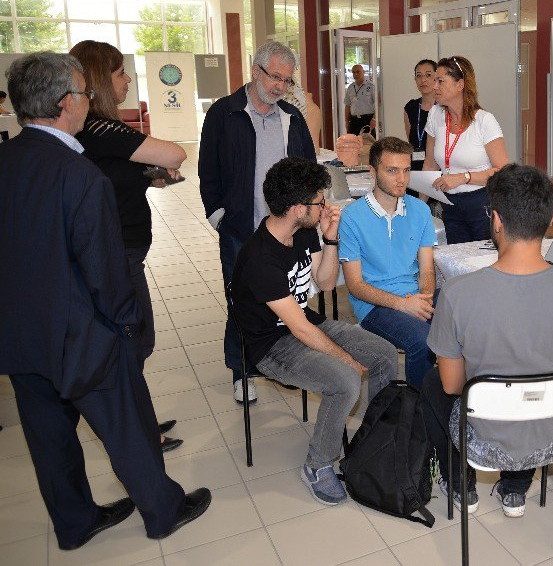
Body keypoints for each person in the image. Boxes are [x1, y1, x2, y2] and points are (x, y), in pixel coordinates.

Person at [0, 52, 210, 550]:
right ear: (62, 103)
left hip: (20, 333)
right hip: (80, 331)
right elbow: (104, 270)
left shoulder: (7, 159)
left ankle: (74, 523)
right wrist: (126, 322)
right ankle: (163, 509)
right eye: (83, 92)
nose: (89, 99)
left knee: (49, 438)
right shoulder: (79, 175)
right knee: (125, 425)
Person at [421, 164, 553, 518]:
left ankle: (461, 485)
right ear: (550, 220)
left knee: (433, 382)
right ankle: (515, 490)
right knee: (534, 381)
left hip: (487, 438)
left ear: (497, 220)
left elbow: (452, 384)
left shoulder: (459, 293)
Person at [230, 156, 398, 506]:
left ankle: (376, 438)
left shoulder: (304, 231)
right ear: (295, 208)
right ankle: (317, 465)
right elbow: (299, 331)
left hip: (305, 323)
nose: (326, 205)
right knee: (344, 382)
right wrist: (345, 359)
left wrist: (331, 239)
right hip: (272, 345)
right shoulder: (259, 259)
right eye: (319, 200)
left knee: (383, 353)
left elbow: (322, 282)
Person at [69, 39, 187, 453]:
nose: (127, 80)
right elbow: (176, 151)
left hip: (122, 251)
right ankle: (138, 428)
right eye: (120, 73)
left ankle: (140, 417)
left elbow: (116, 175)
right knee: (134, 340)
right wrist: (159, 164)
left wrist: (146, 177)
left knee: (136, 338)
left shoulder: (95, 133)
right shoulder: (103, 127)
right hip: (117, 254)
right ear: (100, 80)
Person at [199, 40, 317, 403]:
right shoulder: (225, 113)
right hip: (241, 229)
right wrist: (219, 216)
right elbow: (208, 169)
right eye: (275, 77)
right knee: (243, 303)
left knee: (289, 301)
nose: (280, 86)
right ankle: (242, 370)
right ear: (255, 71)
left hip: (286, 234)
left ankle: (285, 363)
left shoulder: (292, 118)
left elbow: (310, 172)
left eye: (287, 80)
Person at [339, 137, 438, 387]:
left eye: (406, 170)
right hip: (374, 305)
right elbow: (355, 286)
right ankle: (418, 413)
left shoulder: (420, 211)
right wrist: (403, 306)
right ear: (373, 172)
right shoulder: (352, 217)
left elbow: (427, 269)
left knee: (465, 314)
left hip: (415, 296)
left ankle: (456, 402)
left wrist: (422, 301)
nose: (402, 179)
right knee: (423, 341)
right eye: (392, 171)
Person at [424, 56, 510, 243]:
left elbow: (502, 172)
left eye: (440, 81)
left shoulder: (485, 121)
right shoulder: (435, 115)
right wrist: (419, 206)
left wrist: (464, 177)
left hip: (482, 204)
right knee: (456, 262)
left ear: (460, 85)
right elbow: (430, 164)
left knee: (482, 263)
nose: (434, 86)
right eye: (434, 81)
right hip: (449, 205)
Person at [403, 58, 437, 172]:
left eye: (428, 75)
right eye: (419, 75)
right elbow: (410, 140)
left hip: (438, 169)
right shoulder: (410, 107)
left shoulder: (444, 108)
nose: (423, 80)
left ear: (436, 78)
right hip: (414, 168)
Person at [345, 64, 376, 136]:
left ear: (363, 72)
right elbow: (347, 106)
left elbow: (378, 103)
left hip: (367, 120)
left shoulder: (371, 86)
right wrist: (347, 121)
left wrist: (374, 119)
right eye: (353, 72)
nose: (355, 74)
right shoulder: (350, 87)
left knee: (367, 144)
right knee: (354, 144)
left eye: (358, 72)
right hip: (354, 121)